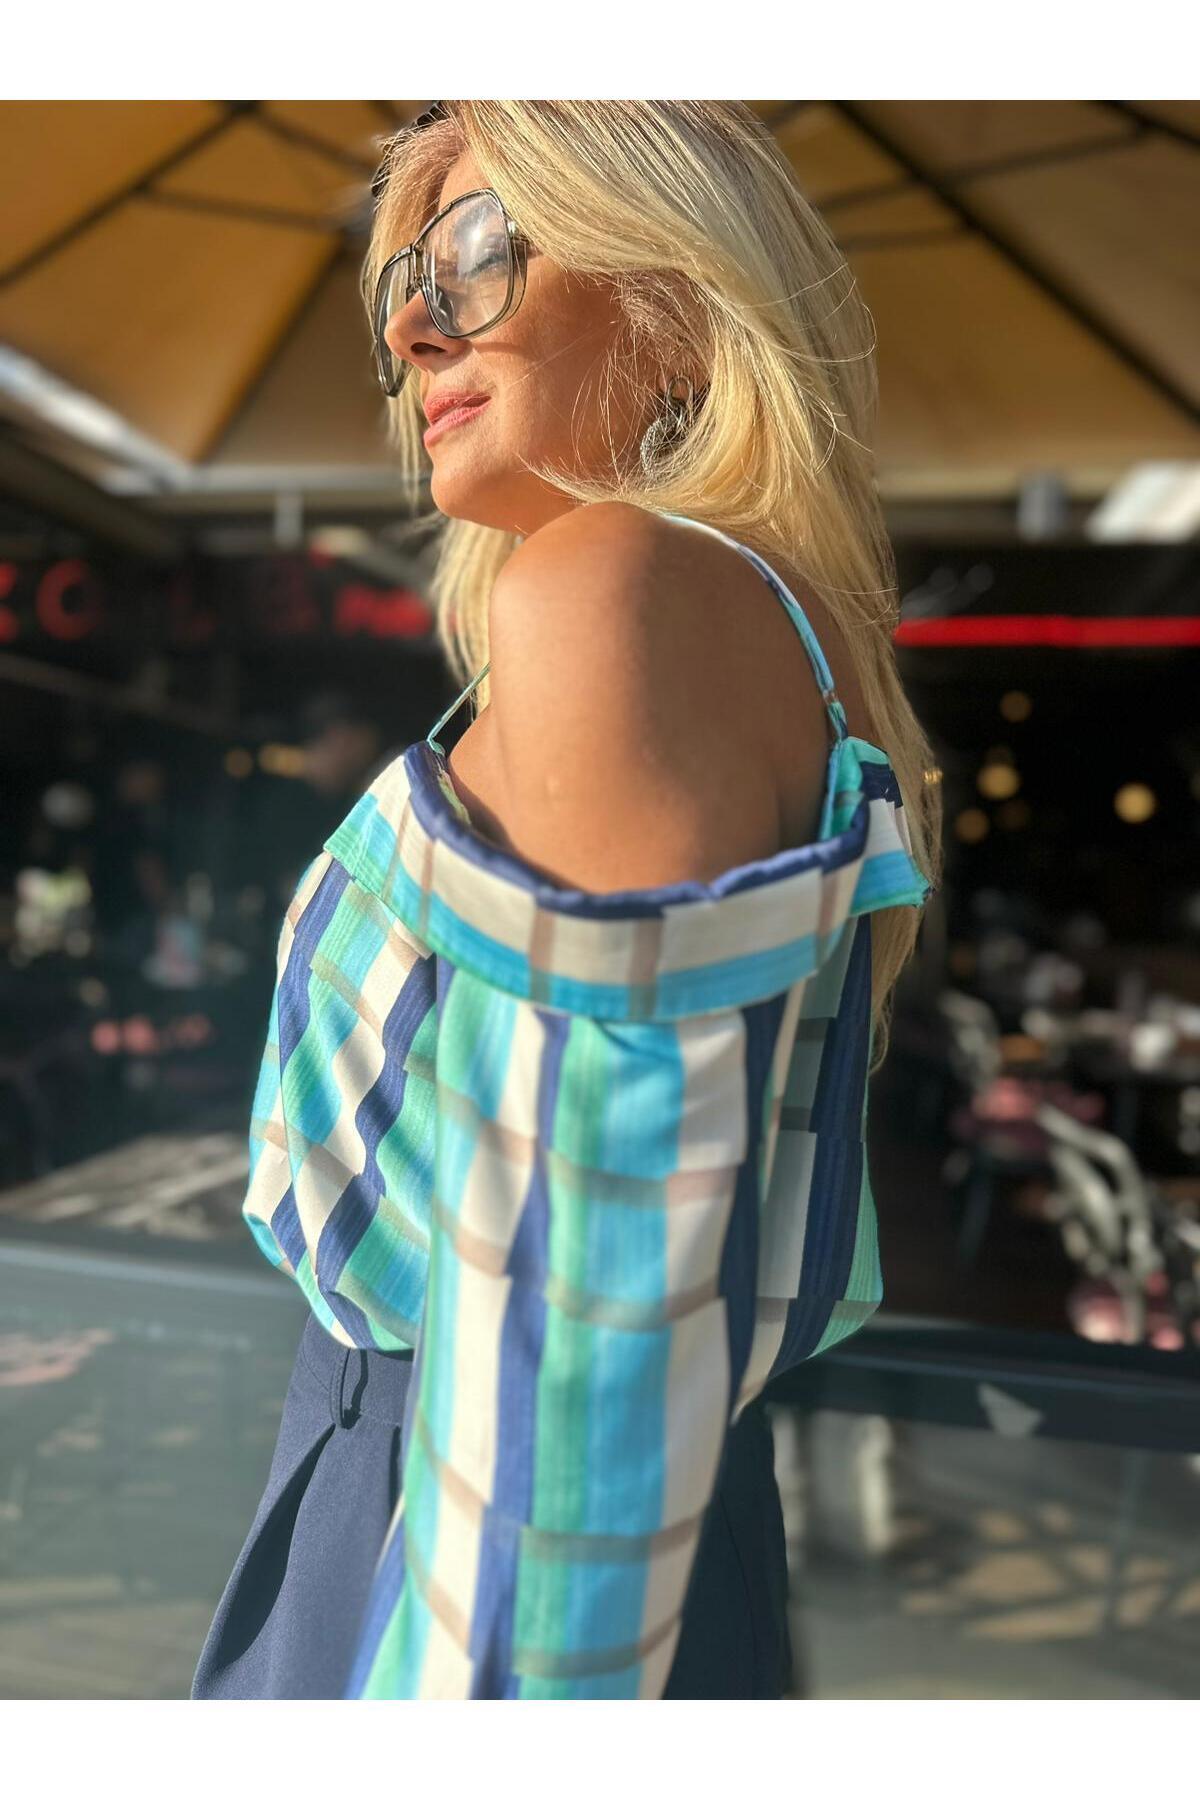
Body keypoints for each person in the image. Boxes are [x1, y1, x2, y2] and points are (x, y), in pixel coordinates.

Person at [191, 99, 943, 1702]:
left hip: (468, 1543)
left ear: (674, 296)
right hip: (626, 1532)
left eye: (475, 255)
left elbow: (576, 1348)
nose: (412, 330)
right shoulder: (743, 619)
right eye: (403, 283)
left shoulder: (614, 590)